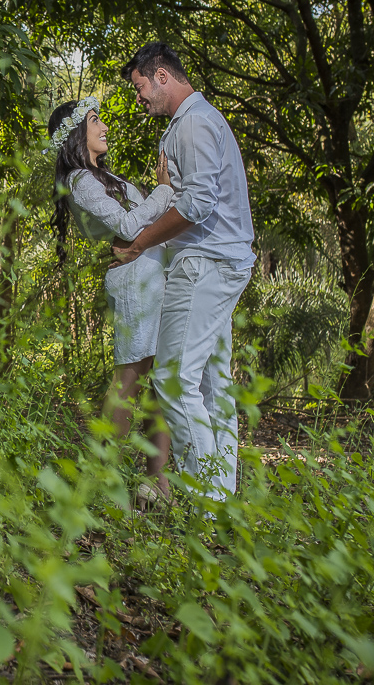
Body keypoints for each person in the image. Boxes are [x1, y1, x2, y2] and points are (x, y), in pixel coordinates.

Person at [113, 42, 256, 503]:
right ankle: (220, 504)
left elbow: (196, 205)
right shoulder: (197, 121)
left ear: (161, 76)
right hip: (220, 261)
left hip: (205, 264)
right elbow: (189, 195)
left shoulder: (193, 123)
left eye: (139, 87)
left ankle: (207, 506)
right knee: (213, 386)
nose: (138, 98)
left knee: (174, 382)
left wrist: (139, 243)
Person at [49, 96, 175, 506]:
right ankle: (100, 483)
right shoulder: (80, 181)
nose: (104, 126)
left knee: (157, 381)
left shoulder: (105, 176)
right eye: (94, 120)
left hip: (152, 273)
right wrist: (162, 190)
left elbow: (144, 220)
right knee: (130, 379)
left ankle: (157, 483)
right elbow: (127, 223)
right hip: (134, 280)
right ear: (76, 133)